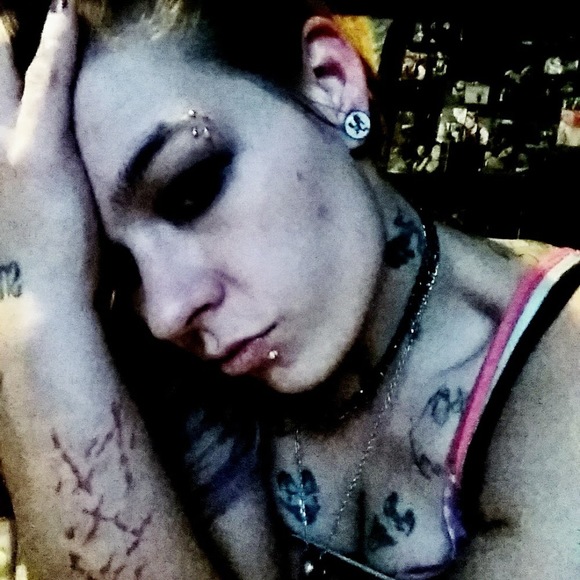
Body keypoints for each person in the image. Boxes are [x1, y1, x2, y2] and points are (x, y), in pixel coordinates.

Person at [0, 2, 579, 580]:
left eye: (190, 188)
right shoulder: (176, 374)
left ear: (331, 82)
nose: (167, 313)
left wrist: (35, 307)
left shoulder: (562, 372)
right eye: (114, 266)